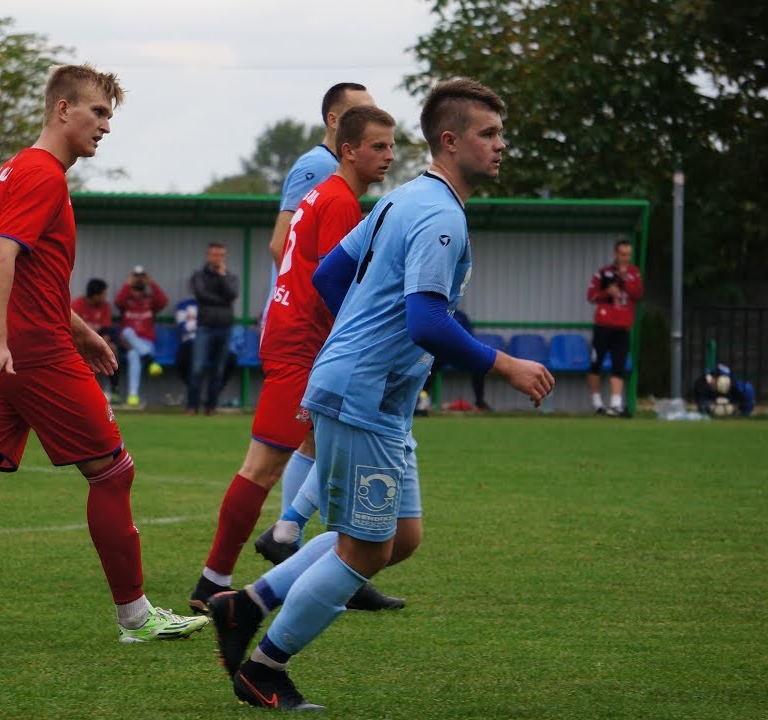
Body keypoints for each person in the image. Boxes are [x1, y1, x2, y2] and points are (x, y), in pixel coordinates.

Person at [208, 79, 555, 710]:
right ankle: (265, 666)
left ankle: (246, 603)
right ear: (450, 141)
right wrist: (504, 364)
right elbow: (424, 319)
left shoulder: (403, 198)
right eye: (489, 134)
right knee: (365, 547)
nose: (501, 146)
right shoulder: (440, 216)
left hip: (376, 394)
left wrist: (361, 332)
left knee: (400, 537)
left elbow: (332, 272)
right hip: (362, 397)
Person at [0, 64, 206, 646]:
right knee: (113, 472)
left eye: (109, 115)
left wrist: (75, 329)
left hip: (5, 349)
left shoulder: (11, 174)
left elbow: (29, 272)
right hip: (28, 352)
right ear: (62, 110)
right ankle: (136, 618)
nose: (105, 126)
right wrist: (3, 341)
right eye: (97, 112)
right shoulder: (41, 174)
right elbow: (2, 257)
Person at [190, 105, 403, 615]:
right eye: (379, 147)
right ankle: (211, 583)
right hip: (301, 346)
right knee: (262, 466)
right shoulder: (337, 202)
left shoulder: (327, 196)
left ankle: (313, 554)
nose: (389, 157)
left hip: (295, 336)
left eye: (392, 147)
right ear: (348, 149)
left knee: (324, 449)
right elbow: (336, 285)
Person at [265, 83, 374, 535]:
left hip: (306, 322)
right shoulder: (320, 169)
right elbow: (280, 244)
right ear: (336, 121)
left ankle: (296, 540)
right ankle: (294, 542)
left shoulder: (336, 176)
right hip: (305, 326)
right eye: (360, 111)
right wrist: (311, 311)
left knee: (316, 439)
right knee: (297, 445)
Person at [586, 239, 644, 417]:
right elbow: (591, 295)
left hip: (622, 327)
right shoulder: (603, 273)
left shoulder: (634, 274)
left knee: (618, 365)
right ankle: (597, 404)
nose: (626, 258)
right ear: (615, 254)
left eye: (628, 254)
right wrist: (606, 293)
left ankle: (616, 405)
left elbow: (638, 294)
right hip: (603, 325)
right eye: (623, 254)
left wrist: (624, 281)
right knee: (596, 363)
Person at [187, 243, 239, 415]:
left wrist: (222, 276)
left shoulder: (230, 276)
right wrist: (224, 301)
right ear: (208, 256)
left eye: (221, 255)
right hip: (205, 327)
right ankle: (192, 406)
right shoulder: (199, 275)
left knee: (218, 369)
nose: (218, 258)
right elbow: (201, 296)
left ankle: (211, 407)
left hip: (225, 327)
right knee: (197, 367)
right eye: (215, 255)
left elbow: (232, 293)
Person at [114, 265, 168, 408]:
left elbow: (163, 301)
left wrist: (151, 283)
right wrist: (128, 283)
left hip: (146, 344)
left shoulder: (149, 301)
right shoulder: (126, 302)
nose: (138, 292)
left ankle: (133, 395)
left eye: (140, 289)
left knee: (133, 353)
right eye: (135, 289)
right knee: (128, 333)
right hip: (128, 343)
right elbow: (118, 302)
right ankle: (151, 362)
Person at [72, 277, 122, 400]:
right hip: (78, 343)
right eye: (104, 294)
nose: (105, 297)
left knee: (112, 351)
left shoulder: (105, 307)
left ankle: (114, 389)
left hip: (98, 341)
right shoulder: (77, 305)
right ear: (95, 294)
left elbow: (106, 330)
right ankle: (82, 392)